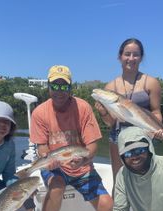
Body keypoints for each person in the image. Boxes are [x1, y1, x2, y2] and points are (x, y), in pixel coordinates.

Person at [30, 65, 113, 211]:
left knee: (107, 205)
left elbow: (92, 146)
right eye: (55, 85)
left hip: (82, 167)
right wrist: (46, 159)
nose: (59, 91)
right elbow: (42, 147)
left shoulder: (83, 108)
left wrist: (83, 160)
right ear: (49, 86)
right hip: (55, 168)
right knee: (57, 187)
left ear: (70, 87)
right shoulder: (39, 113)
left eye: (64, 87)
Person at [95, 38, 163, 192]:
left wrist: (157, 129)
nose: (131, 58)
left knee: (146, 182)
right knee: (118, 181)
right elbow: (110, 123)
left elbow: (156, 112)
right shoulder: (110, 87)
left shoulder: (151, 83)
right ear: (120, 56)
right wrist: (103, 112)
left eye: (136, 55)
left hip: (143, 137)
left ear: (141, 57)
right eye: (127, 54)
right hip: (118, 137)